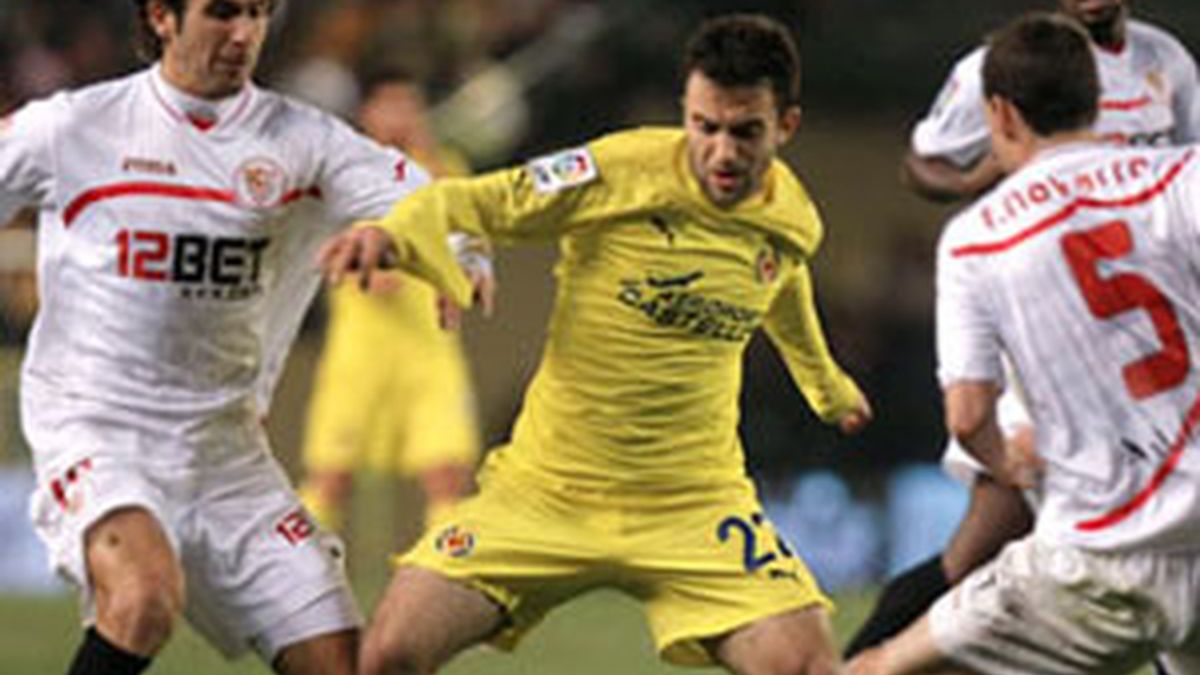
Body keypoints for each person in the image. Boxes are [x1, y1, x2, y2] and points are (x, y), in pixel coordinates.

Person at [320, 13, 872, 675]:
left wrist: (826, 384)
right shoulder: (616, 168)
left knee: (812, 666)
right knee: (387, 653)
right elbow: (478, 200)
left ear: (786, 126)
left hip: (695, 503)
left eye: (745, 131)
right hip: (547, 491)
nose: (722, 152)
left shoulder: (792, 219)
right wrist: (395, 235)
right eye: (706, 126)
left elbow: (781, 288)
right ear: (686, 113)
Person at [0, 1, 472, 673]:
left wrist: (462, 257)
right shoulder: (74, 126)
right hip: (99, 431)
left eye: (257, 12)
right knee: (142, 598)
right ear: (162, 15)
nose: (244, 34)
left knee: (344, 664)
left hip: (227, 455)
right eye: (222, 12)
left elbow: (429, 200)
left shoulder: (304, 140)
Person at [847, 0, 1200, 655]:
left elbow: (965, 413)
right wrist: (992, 171)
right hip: (1055, 330)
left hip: (1147, 350)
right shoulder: (995, 66)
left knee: (1010, 546)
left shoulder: (1166, 61)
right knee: (981, 542)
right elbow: (923, 161)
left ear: (1005, 115)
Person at [298, 69, 481, 537]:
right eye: (391, 105)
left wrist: (424, 150)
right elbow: (319, 244)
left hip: (429, 349)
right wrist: (364, 267)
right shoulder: (344, 172)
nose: (401, 116)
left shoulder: (444, 166)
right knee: (331, 479)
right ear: (367, 113)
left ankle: (443, 585)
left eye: (410, 105)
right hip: (359, 354)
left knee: (448, 475)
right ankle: (296, 581)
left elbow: (462, 225)